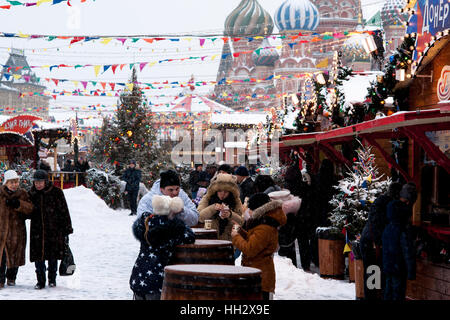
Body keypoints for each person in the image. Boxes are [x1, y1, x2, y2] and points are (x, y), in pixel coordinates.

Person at [130, 195, 195, 300]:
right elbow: (190, 236)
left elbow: (140, 222)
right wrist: (178, 220)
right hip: (156, 282)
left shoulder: (145, 223)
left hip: (138, 277)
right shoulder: (173, 229)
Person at [231, 193, 287, 300]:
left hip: (260, 278)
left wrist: (236, 237)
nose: (249, 211)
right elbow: (255, 240)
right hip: (258, 274)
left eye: (251, 209)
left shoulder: (265, 227)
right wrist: (241, 232)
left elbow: (250, 249)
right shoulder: (265, 221)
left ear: (258, 209)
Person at [28, 169, 73, 289]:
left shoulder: (56, 192)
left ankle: (52, 279)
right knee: (39, 258)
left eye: (40, 182)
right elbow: (27, 212)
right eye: (36, 182)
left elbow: (64, 211)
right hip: (37, 230)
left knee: (53, 257)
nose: (38, 184)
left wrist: (67, 228)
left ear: (46, 181)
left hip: (54, 230)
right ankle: (40, 281)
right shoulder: (31, 194)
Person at [360, 181, 402, 300]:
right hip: (372, 243)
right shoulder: (386, 204)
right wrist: (378, 245)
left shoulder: (384, 202)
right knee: (373, 274)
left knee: (375, 275)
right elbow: (377, 225)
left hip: (372, 241)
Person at [382, 183, 417, 301]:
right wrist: (411, 271)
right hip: (399, 267)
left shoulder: (388, 226)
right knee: (398, 294)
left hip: (388, 265)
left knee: (388, 291)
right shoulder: (403, 229)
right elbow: (407, 250)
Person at [0, 170, 33, 288]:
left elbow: (30, 209)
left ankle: (11, 277)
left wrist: (19, 204)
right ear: (6, 183)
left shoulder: (22, 194)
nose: (14, 185)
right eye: (11, 182)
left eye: (16, 182)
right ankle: (0, 280)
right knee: (2, 257)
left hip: (17, 231)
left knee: (14, 255)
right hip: (2, 231)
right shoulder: (0, 194)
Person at [197, 173, 244, 241]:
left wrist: (230, 214)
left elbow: (241, 222)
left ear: (230, 192)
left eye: (226, 192)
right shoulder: (208, 197)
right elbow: (199, 217)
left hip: (228, 240)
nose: (222, 194)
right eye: (219, 191)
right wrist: (213, 208)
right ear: (215, 190)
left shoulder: (236, 200)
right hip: (209, 238)